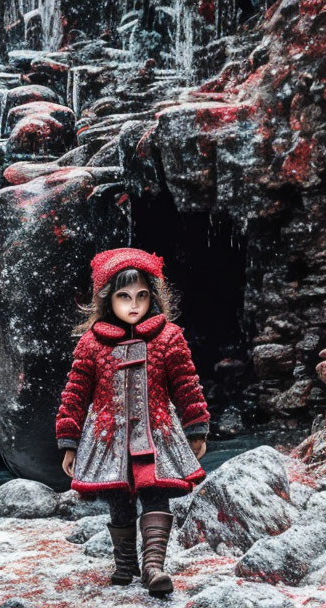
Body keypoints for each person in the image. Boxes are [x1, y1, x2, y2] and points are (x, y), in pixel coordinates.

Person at [54, 247, 209, 597]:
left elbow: (186, 384)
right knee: (119, 499)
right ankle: (125, 564)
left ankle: (154, 568)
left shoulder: (168, 338)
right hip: (109, 438)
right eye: (124, 297)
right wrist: (68, 440)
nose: (133, 304)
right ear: (109, 300)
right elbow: (75, 393)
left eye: (141, 296)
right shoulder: (92, 344)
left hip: (155, 434)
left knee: (155, 495)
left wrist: (196, 426)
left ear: (153, 297)